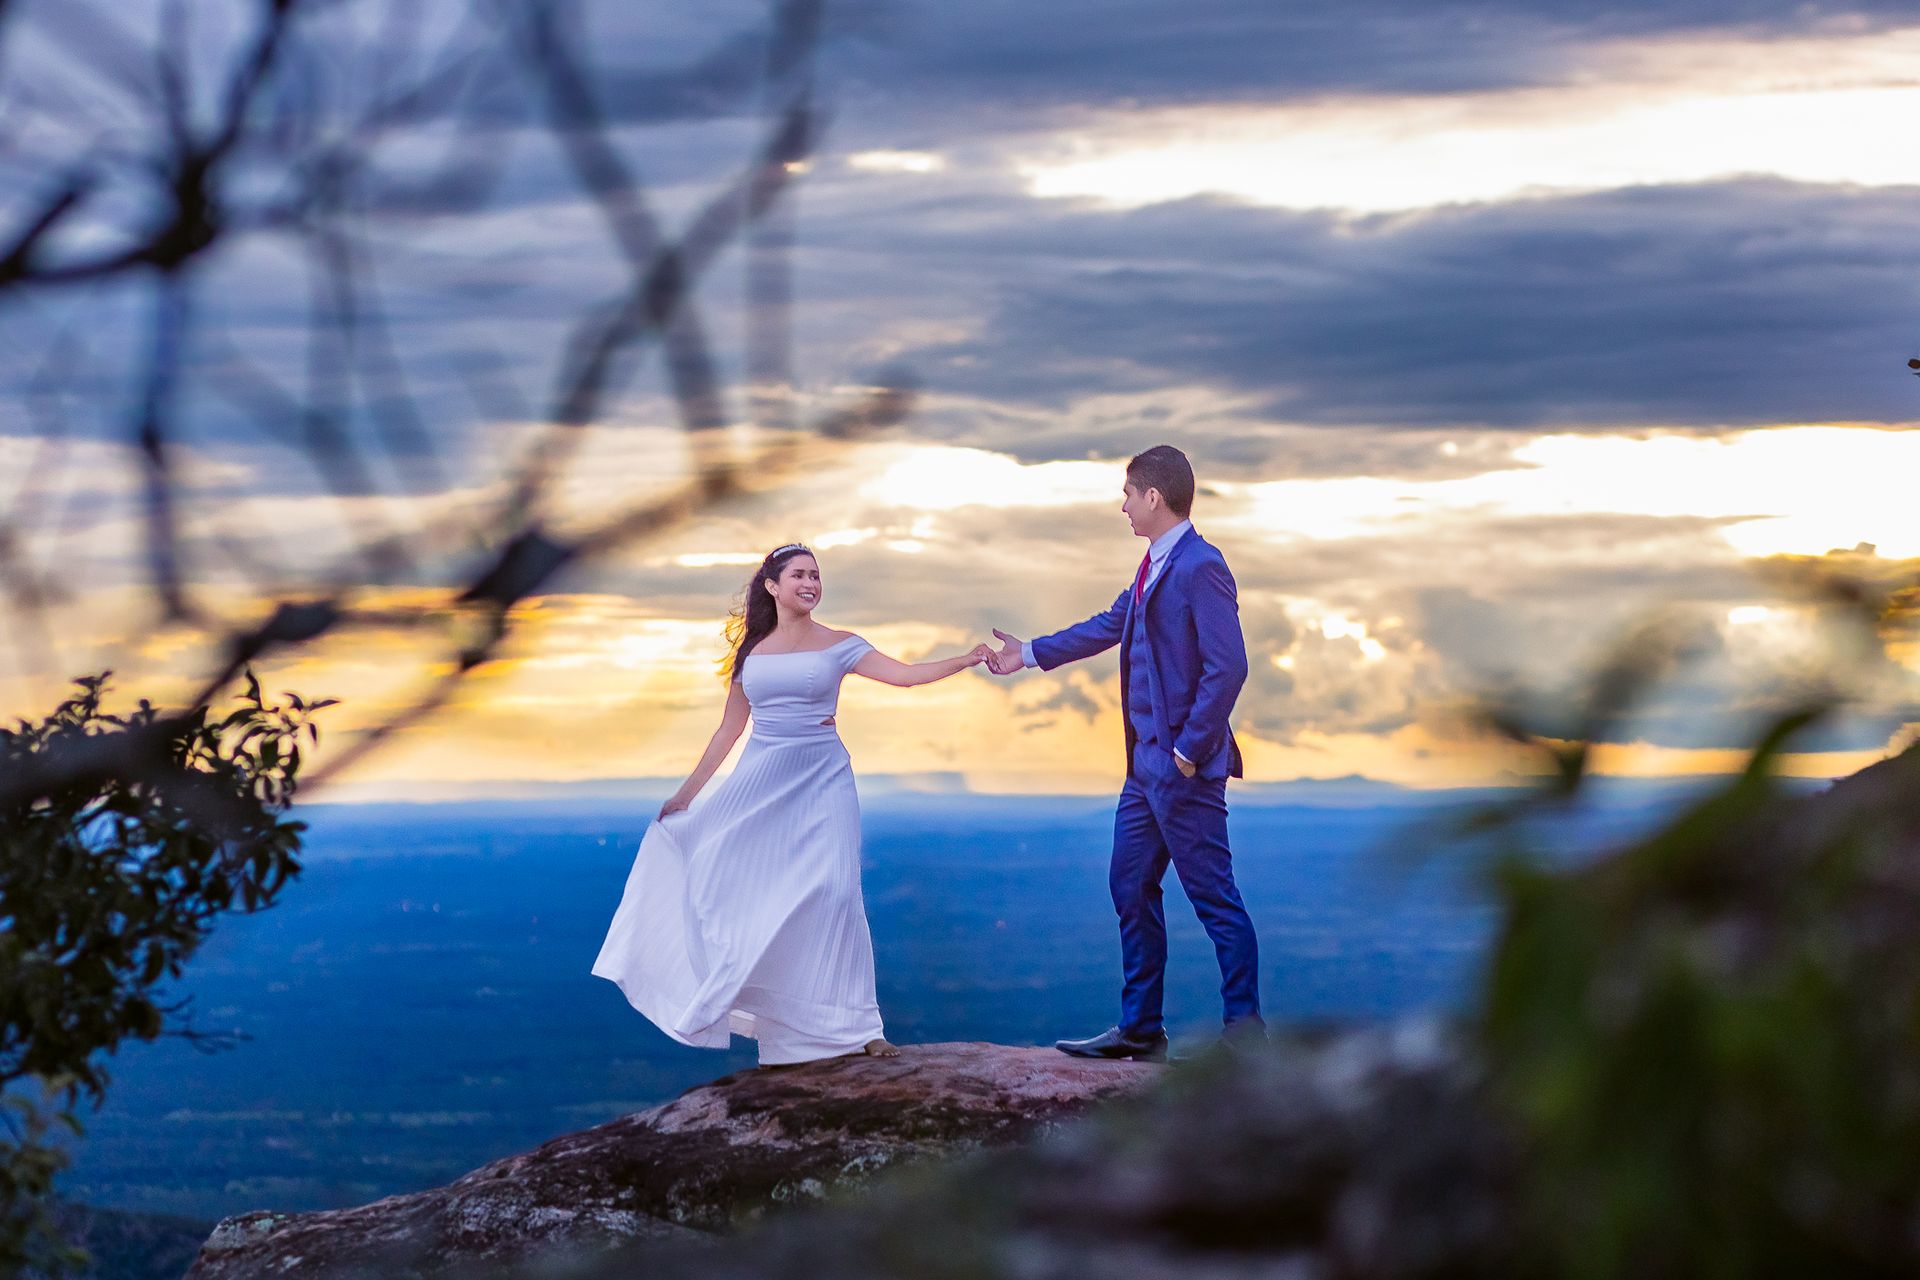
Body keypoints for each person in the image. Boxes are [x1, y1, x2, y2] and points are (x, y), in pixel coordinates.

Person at [593, 543, 992, 1066]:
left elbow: (905, 675)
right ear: (773, 586)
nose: (810, 582)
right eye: (799, 574)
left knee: (836, 890)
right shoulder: (752, 654)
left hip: (823, 778)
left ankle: (859, 1027)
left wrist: (967, 658)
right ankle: (779, 1022)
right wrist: (686, 796)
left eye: (816, 575)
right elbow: (729, 729)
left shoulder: (841, 644)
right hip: (762, 780)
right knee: (727, 880)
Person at [987, 445, 1261, 1060]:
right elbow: (1109, 625)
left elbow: (1229, 666)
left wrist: (1190, 750)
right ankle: (1141, 1029)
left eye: (1128, 495)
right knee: (1130, 884)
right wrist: (1027, 652)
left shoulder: (1201, 565)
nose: (1124, 506)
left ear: (1154, 498)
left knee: (1215, 899)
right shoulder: (1152, 564)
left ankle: (1247, 1038)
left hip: (1181, 769)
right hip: (1144, 771)